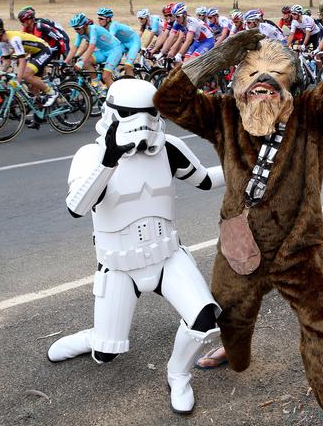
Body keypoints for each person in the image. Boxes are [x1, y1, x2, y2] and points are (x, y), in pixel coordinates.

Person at [154, 0, 323, 426]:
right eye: (251, 76)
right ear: (236, 84)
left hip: (298, 253)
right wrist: (218, 56)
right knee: (230, 318)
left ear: (292, 85)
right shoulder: (223, 116)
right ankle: (233, 354)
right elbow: (169, 99)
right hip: (237, 250)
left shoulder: (311, 114)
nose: (262, 83)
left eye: (274, 77)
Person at [47, 78, 224, 415]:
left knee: (204, 320)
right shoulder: (91, 155)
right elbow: (77, 207)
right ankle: (94, 339)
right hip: (119, 266)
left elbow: (204, 180)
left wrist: (248, 168)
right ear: (112, 113)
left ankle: (178, 374)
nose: (141, 123)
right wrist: (108, 160)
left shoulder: (169, 148)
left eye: (149, 113)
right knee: (107, 354)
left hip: (167, 257)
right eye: (130, 114)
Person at [0, 16, 57, 129]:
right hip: (34, 53)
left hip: (44, 50)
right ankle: (40, 117)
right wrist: (0, 73)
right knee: (33, 89)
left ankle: (51, 92)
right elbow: (7, 60)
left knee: (26, 75)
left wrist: (18, 80)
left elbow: (21, 60)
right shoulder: (2, 42)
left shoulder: (13, 39)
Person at [64, 13, 123, 88]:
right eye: (74, 28)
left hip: (115, 50)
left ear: (85, 25)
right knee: (85, 62)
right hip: (103, 51)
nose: (76, 31)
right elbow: (75, 47)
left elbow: (91, 47)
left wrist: (81, 63)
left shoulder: (93, 29)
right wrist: (65, 62)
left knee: (105, 76)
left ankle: (116, 96)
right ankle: (99, 87)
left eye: (78, 28)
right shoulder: (80, 33)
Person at [97, 7, 141, 77]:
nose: (99, 21)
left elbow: (110, 39)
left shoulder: (113, 25)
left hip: (133, 42)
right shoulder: (103, 28)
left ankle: (134, 86)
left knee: (127, 66)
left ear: (108, 19)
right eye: (98, 18)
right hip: (123, 43)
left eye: (101, 19)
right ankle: (118, 77)